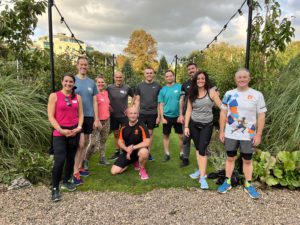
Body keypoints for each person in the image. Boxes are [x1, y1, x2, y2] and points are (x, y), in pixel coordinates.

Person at [217, 68, 267, 199]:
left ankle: (248, 185)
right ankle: (227, 182)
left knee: (247, 160)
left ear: (249, 79)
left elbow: (261, 116)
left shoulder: (257, 95)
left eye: (245, 77)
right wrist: (221, 130)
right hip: (230, 134)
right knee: (230, 158)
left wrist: (259, 134)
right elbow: (223, 113)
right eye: (239, 77)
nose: (242, 79)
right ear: (235, 79)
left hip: (248, 135)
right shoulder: (229, 94)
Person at [48, 73, 84, 202]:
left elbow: (81, 115)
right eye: (66, 81)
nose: (68, 84)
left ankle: (66, 181)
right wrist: (61, 130)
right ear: (62, 82)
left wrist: (79, 127)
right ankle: (55, 188)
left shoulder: (77, 97)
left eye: (71, 82)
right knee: (59, 160)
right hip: (60, 133)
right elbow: (51, 116)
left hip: (74, 132)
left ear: (74, 84)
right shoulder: (54, 96)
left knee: (70, 159)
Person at [184, 71, 221, 189]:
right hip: (194, 125)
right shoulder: (191, 93)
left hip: (207, 125)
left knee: (202, 150)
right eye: (198, 79)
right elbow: (188, 110)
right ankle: (200, 171)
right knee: (198, 148)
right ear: (195, 80)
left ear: (206, 80)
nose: (200, 80)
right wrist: (186, 126)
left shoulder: (212, 92)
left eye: (203, 78)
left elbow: (222, 107)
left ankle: (202, 178)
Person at [73, 56, 99, 185]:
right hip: (77, 117)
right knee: (81, 143)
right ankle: (75, 171)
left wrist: (96, 118)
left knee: (86, 142)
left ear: (88, 66)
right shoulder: (73, 80)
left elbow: (94, 101)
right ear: (77, 65)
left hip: (89, 116)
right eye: (81, 64)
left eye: (85, 65)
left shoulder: (91, 83)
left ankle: (80, 167)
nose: (83, 67)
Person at [111, 107, 150, 180]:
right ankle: (132, 161)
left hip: (138, 150)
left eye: (135, 113)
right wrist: (126, 148)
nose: (133, 115)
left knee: (144, 152)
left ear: (138, 114)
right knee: (114, 171)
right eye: (131, 113)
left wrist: (132, 148)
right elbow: (120, 141)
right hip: (127, 151)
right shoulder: (124, 125)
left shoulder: (142, 125)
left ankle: (142, 169)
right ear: (127, 114)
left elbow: (147, 142)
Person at [133, 67, 161, 161]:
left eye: (151, 73)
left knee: (150, 133)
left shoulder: (158, 86)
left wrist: (159, 116)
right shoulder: (139, 86)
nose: (149, 74)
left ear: (153, 74)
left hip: (152, 113)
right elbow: (137, 100)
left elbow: (159, 102)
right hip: (142, 113)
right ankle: (139, 151)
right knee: (139, 133)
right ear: (144, 74)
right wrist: (135, 113)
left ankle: (148, 152)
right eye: (147, 73)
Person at [107, 71, 134, 160]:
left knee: (125, 134)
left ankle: (125, 151)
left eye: (120, 77)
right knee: (116, 134)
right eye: (117, 77)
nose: (118, 79)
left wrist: (129, 107)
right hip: (113, 115)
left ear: (122, 78)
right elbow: (103, 96)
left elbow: (134, 96)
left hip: (124, 116)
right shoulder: (109, 88)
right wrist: (108, 105)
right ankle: (117, 151)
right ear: (114, 78)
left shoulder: (127, 87)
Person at [158, 70, 183, 163]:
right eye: (167, 76)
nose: (169, 77)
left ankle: (182, 153)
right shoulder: (163, 90)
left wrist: (181, 115)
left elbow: (182, 100)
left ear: (173, 76)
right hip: (167, 116)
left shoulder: (180, 87)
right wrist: (162, 118)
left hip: (178, 116)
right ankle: (167, 154)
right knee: (166, 135)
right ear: (165, 78)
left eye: (170, 76)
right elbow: (161, 104)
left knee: (181, 136)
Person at [85, 75, 111, 165]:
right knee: (93, 143)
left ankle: (102, 159)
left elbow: (107, 105)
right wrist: (95, 120)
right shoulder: (93, 94)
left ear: (104, 83)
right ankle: (85, 160)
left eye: (102, 82)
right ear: (96, 83)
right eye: (99, 82)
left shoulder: (107, 93)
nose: (101, 84)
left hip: (106, 121)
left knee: (103, 141)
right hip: (96, 121)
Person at [178, 63, 198, 167]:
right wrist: (181, 114)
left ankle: (201, 158)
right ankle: (185, 158)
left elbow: (215, 95)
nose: (191, 70)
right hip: (187, 115)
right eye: (189, 69)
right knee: (186, 138)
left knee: (199, 139)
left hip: (200, 115)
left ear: (197, 69)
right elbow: (181, 100)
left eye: (192, 68)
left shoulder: (205, 81)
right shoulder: (185, 84)